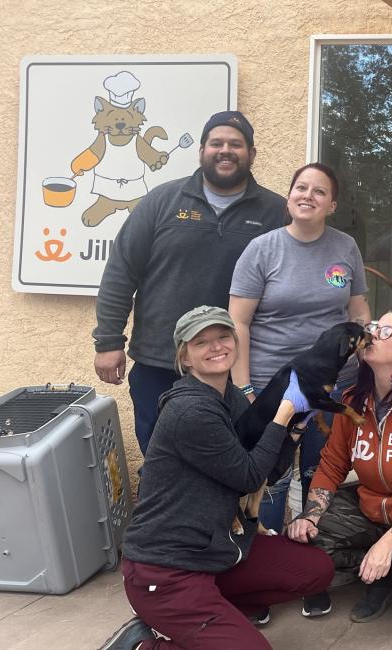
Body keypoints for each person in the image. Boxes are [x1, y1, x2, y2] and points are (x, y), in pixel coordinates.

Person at [99, 305, 334, 650]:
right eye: (201, 342)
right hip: (165, 571)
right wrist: (283, 413)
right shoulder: (191, 410)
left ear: (235, 342)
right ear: (186, 356)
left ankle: (215, 622)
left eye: (223, 336)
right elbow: (248, 477)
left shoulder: (230, 398)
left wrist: (295, 432)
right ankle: (141, 645)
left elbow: (267, 469)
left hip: (213, 553)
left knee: (315, 570)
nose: (216, 347)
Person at [93, 111, 286, 455]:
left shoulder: (275, 212)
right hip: (160, 362)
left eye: (235, 144)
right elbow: (121, 271)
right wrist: (108, 341)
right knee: (160, 458)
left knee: (228, 464)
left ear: (252, 154)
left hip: (235, 368)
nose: (225, 150)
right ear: (201, 151)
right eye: (217, 143)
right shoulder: (162, 201)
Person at [287, 307, 392, 641]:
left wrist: (387, 543)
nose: (373, 335)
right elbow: (332, 466)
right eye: (373, 327)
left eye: (386, 332)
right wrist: (310, 517)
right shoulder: (353, 400)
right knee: (304, 545)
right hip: (368, 506)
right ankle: (384, 576)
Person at [229, 162, 370, 531]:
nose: (308, 196)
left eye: (319, 191)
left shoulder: (346, 246)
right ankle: (265, 558)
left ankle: (312, 561)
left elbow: (358, 311)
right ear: (289, 196)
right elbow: (238, 323)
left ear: (332, 205)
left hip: (335, 386)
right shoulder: (261, 249)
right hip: (274, 387)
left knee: (320, 473)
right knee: (269, 475)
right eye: (301, 188)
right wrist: (244, 387)